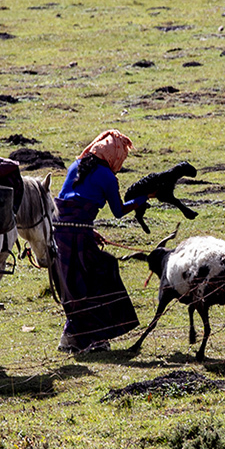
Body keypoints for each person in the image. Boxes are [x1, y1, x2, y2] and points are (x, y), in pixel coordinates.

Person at [51, 130, 149, 353]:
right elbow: (118, 211)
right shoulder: (107, 176)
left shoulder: (76, 165)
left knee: (74, 285)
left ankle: (71, 337)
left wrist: (88, 229)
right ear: (114, 155)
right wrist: (144, 197)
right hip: (76, 235)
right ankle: (91, 339)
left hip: (58, 233)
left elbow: (69, 206)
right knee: (99, 276)